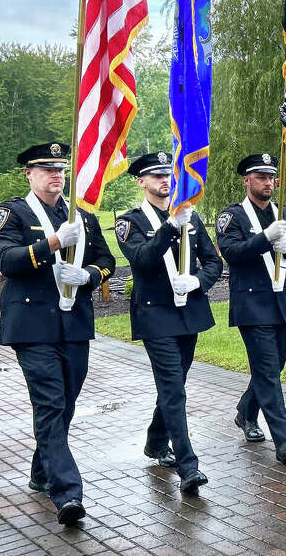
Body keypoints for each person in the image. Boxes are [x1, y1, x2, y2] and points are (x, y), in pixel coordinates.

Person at [0, 142, 114, 526]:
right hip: (32, 325)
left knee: (66, 403)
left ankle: (41, 469)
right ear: (29, 173)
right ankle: (67, 493)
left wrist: (89, 276)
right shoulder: (12, 212)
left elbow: (105, 260)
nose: (56, 176)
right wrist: (53, 243)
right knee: (51, 404)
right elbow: (6, 259)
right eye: (46, 170)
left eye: (60, 170)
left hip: (74, 324)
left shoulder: (81, 215)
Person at [114, 152, 222, 495]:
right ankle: (189, 465)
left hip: (187, 313)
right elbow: (143, 260)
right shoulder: (129, 222)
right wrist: (170, 227)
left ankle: (156, 441)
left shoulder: (191, 216)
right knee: (175, 388)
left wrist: (198, 281)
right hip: (155, 314)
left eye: (168, 175)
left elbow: (213, 263)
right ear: (141, 182)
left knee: (174, 384)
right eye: (156, 176)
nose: (165, 181)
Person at [215, 152, 286, 465]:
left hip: (284, 302)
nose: (268, 182)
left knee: (273, 367)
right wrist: (264, 239)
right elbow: (232, 253)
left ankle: (246, 411)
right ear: (246, 181)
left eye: (271, 177)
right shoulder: (233, 216)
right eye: (261, 177)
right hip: (253, 305)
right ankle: (285, 441)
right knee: (269, 372)